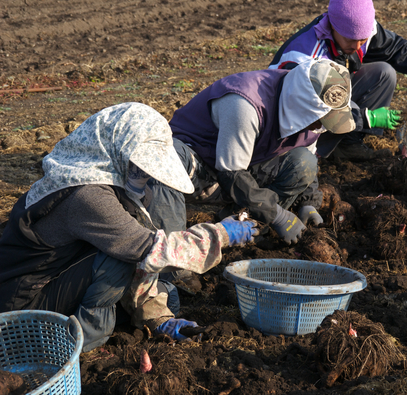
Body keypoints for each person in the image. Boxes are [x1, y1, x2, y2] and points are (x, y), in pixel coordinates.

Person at [0, 102, 257, 352]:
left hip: (58, 282)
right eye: (139, 165)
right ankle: (72, 344)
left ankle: (100, 323)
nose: (144, 176)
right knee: (120, 259)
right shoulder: (88, 196)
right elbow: (145, 250)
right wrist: (220, 235)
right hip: (22, 307)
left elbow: (140, 253)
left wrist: (157, 318)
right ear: (118, 150)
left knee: (166, 295)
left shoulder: (108, 185)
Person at [152, 58, 355, 246]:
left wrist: (308, 202)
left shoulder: (311, 119)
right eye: (321, 119)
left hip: (244, 166)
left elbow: (306, 152)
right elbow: (231, 173)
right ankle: (175, 256)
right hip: (198, 166)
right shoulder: (246, 104)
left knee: (304, 163)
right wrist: (279, 216)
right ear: (304, 108)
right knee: (169, 160)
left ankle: (247, 226)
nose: (320, 126)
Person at [268, 0, 407, 161]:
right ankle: (315, 153)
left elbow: (396, 49)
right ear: (333, 27)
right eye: (350, 40)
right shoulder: (306, 58)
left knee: (383, 73)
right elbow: (308, 110)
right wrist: (367, 118)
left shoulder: (363, 31)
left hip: (327, 98)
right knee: (306, 150)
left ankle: (348, 145)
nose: (357, 46)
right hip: (287, 122)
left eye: (361, 40)